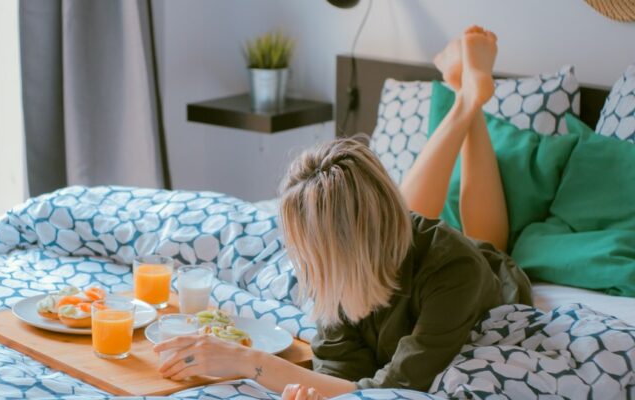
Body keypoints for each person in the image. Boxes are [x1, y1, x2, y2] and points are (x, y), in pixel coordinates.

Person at [153, 26, 532, 399]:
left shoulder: (454, 271)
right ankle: (468, 94)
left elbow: (392, 389)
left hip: (480, 268)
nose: (299, 260)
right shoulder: (337, 270)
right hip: (387, 240)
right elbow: (341, 370)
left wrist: (247, 362)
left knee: (487, 240)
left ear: (341, 246)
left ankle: (469, 99)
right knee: (406, 216)